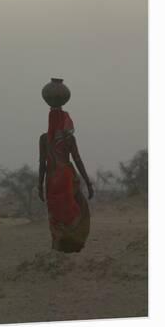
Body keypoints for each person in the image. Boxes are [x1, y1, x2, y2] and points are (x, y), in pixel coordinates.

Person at [38, 107, 94, 253]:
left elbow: (42, 164)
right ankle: (73, 245)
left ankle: (58, 246)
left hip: (51, 180)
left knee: (55, 215)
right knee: (78, 209)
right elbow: (77, 160)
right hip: (67, 178)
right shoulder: (69, 138)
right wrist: (88, 183)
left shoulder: (44, 139)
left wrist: (39, 185)